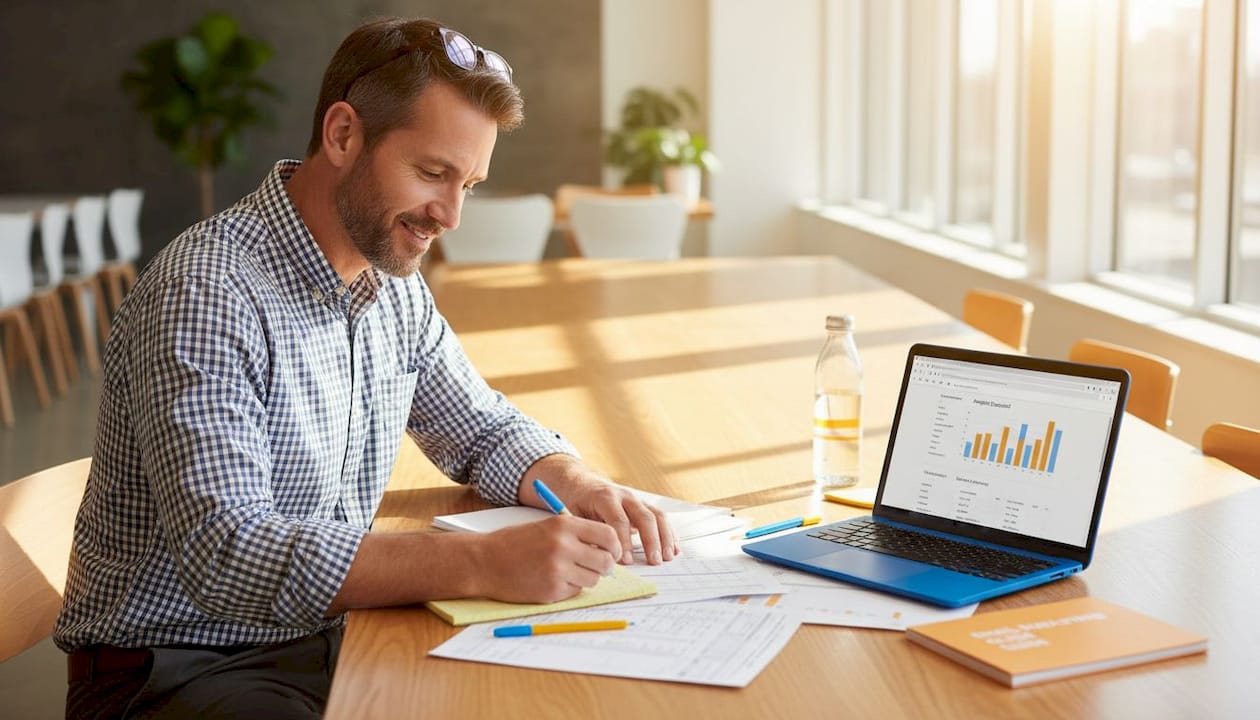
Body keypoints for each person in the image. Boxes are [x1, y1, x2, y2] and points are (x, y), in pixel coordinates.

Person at [55, 17, 678, 719]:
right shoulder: (207, 291)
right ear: (344, 135)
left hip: (323, 635)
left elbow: (479, 426)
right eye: (433, 173)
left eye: (469, 183)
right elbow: (229, 552)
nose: (451, 214)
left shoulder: (392, 285)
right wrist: (482, 562)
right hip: (178, 670)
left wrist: (575, 481)